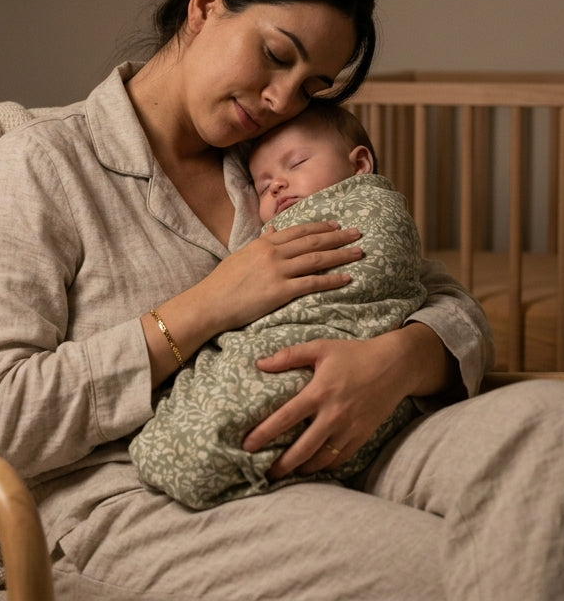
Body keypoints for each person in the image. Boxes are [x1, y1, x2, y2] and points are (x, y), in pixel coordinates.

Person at [0, 0, 564, 600]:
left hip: (349, 444)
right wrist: (204, 308)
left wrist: (396, 361)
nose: (280, 101)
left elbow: (443, 299)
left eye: (310, 87)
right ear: (207, 4)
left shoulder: (271, 163)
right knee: (482, 568)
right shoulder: (47, 166)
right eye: (276, 56)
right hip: (145, 496)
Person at [129, 102, 427, 508]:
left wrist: (404, 355)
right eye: (262, 183)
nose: (276, 186)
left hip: (354, 364)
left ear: (359, 166)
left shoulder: (368, 209)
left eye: (297, 163)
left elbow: (420, 287)